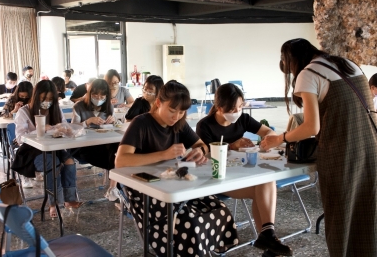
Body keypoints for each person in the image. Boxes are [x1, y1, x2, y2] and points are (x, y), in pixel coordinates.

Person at [261, 38, 377, 257]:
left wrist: (280, 138)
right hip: (369, 146)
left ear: (292, 60)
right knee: (367, 212)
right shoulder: (346, 63)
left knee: (341, 216)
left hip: (341, 153)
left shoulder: (308, 73)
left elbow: (311, 127)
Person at [116, 80, 239, 256]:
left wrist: (200, 151)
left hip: (173, 184)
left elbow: (202, 145)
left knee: (218, 209)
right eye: (172, 111)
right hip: (144, 188)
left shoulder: (179, 124)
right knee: (186, 220)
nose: (176, 116)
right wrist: (164, 155)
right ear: (158, 103)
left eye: (181, 112)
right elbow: (121, 161)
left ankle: (202, 251)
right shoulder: (141, 123)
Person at [196, 83, 293, 257]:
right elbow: (208, 155)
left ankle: (268, 235)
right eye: (233, 108)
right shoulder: (205, 126)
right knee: (262, 184)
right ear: (219, 108)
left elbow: (268, 131)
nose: (238, 111)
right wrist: (232, 145)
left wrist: (267, 141)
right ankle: (269, 241)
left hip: (244, 174)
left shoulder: (243, 119)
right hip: (219, 179)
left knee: (267, 178)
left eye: (241, 106)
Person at [12, 80, 84, 218]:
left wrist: (65, 129)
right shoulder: (24, 111)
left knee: (69, 161)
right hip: (32, 152)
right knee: (53, 163)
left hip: (55, 148)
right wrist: (39, 130)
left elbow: (64, 126)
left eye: (51, 99)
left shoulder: (55, 110)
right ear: (36, 96)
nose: (47, 102)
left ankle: (69, 199)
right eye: (43, 98)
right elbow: (20, 138)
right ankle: (53, 203)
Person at [70, 79, 119, 200]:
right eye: (95, 95)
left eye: (102, 95)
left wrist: (114, 122)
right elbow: (72, 130)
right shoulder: (79, 106)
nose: (98, 98)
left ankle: (114, 188)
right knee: (117, 159)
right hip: (84, 147)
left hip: (104, 145)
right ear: (89, 93)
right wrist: (87, 122)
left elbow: (118, 126)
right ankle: (114, 188)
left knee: (118, 150)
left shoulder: (109, 107)